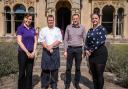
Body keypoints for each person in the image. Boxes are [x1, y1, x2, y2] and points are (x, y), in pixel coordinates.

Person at [84, 13, 108, 89]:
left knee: (99, 74)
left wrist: (90, 50)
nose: (94, 20)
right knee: (93, 74)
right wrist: (86, 50)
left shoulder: (102, 29)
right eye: (93, 18)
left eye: (96, 18)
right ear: (91, 19)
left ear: (99, 19)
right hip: (91, 55)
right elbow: (86, 42)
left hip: (100, 53)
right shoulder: (90, 30)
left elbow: (100, 41)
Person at [38, 15, 62, 89]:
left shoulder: (57, 30)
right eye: (49, 20)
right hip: (46, 50)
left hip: (55, 50)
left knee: (55, 68)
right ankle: (45, 84)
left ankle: (54, 84)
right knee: (45, 68)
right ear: (47, 21)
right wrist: (48, 48)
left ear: (53, 21)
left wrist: (51, 46)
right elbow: (41, 40)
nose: (50, 21)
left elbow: (59, 40)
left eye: (52, 20)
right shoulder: (43, 30)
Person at [64, 14, 86, 89]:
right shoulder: (68, 27)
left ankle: (76, 83)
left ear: (78, 19)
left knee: (78, 68)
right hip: (70, 49)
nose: (75, 20)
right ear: (72, 19)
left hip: (79, 49)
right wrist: (65, 51)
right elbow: (65, 39)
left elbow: (85, 39)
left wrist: (83, 51)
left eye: (76, 18)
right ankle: (67, 83)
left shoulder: (82, 27)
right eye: (74, 19)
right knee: (68, 68)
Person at [16, 14, 37, 89]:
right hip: (22, 53)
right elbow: (19, 41)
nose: (29, 20)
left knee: (29, 72)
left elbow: (35, 41)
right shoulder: (20, 28)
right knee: (22, 72)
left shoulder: (32, 29)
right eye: (27, 18)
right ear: (24, 19)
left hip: (31, 53)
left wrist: (34, 52)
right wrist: (27, 52)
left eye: (30, 19)